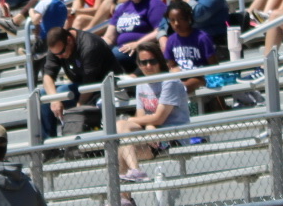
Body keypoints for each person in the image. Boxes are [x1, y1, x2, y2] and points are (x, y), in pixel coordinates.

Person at [119, 41, 189, 184]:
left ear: (160, 61)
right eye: (143, 63)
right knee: (120, 129)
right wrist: (149, 126)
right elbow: (141, 117)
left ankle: (124, 192)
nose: (148, 66)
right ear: (138, 64)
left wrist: (136, 122)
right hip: (151, 137)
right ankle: (134, 172)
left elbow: (159, 118)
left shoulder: (170, 82)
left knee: (121, 144)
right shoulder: (142, 83)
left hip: (173, 138)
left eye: (152, 61)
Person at [39, 25, 114, 139]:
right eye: (56, 55)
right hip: (81, 86)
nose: (60, 57)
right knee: (43, 95)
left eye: (62, 52)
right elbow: (47, 77)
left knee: (62, 91)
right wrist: (54, 99)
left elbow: (90, 83)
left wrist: (78, 107)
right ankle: (49, 143)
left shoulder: (89, 45)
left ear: (69, 40)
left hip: (102, 85)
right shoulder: (57, 48)